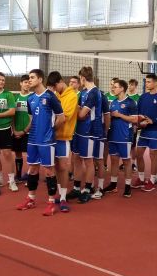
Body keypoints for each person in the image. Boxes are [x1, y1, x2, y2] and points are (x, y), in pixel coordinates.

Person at [16, 69, 65, 215]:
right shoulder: (30, 98)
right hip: (32, 140)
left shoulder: (50, 96)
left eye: (32, 77)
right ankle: (30, 199)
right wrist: (24, 131)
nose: (29, 80)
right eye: (29, 78)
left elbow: (61, 118)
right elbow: (32, 119)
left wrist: (50, 130)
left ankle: (51, 203)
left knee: (49, 170)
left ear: (40, 79)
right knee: (32, 169)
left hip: (46, 141)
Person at [68, 66, 102, 203]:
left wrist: (75, 109)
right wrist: (77, 110)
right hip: (79, 131)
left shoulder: (94, 93)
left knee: (88, 161)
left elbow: (81, 114)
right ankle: (76, 188)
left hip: (89, 132)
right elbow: (79, 111)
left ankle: (87, 189)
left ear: (82, 78)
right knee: (76, 158)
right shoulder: (83, 92)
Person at [133, 74, 157, 192]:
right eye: (146, 82)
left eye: (149, 82)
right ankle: (141, 178)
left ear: (155, 83)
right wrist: (140, 123)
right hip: (144, 131)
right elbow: (138, 113)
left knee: (153, 155)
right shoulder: (143, 97)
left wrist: (152, 121)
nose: (147, 84)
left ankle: (152, 180)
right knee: (138, 154)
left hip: (156, 130)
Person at [46, 71, 78, 213]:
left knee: (63, 167)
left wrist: (50, 129)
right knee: (55, 167)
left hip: (63, 137)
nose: (53, 89)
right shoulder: (55, 95)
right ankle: (59, 194)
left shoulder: (72, 96)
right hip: (51, 138)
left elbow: (63, 117)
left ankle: (64, 198)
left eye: (54, 86)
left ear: (60, 82)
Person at [104, 79, 138, 198]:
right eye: (113, 86)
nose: (113, 88)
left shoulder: (130, 102)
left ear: (122, 88)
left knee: (126, 162)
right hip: (113, 135)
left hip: (125, 136)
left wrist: (119, 115)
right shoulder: (113, 102)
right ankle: (113, 184)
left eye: (115, 87)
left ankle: (128, 186)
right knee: (113, 160)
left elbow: (135, 119)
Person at [0, 72, 18, 192]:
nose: (1, 82)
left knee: (7, 154)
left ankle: (11, 181)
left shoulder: (8, 94)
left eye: (3, 80)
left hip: (5, 129)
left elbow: (12, 111)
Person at [12, 75, 31, 182]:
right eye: (25, 82)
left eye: (29, 82)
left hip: (28, 132)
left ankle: (30, 174)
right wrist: (14, 130)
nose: (27, 84)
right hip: (16, 131)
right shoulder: (15, 97)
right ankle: (18, 175)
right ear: (21, 83)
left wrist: (24, 131)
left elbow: (33, 118)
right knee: (18, 153)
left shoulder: (32, 97)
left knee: (30, 153)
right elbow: (12, 116)